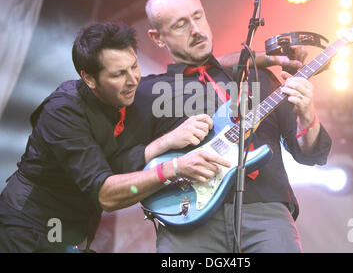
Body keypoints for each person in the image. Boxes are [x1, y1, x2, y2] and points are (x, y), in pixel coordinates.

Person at [0, 22, 237, 253]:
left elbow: (202, 67)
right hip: (27, 228)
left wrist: (260, 58)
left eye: (134, 66)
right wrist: (174, 168)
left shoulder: (125, 91)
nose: (133, 79)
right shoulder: (62, 113)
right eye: (119, 74)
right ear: (90, 78)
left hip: (73, 232)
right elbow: (106, 194)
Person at [134, 0, 332, 253]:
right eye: (181, 25)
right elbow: (123, 162)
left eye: (198, 16)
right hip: (186, 219)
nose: (196, 30)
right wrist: (167, 142)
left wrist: (307, 113)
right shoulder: (147, 92)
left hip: (265, 212)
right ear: (157, 37)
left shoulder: (258, 77)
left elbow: (310, 154)